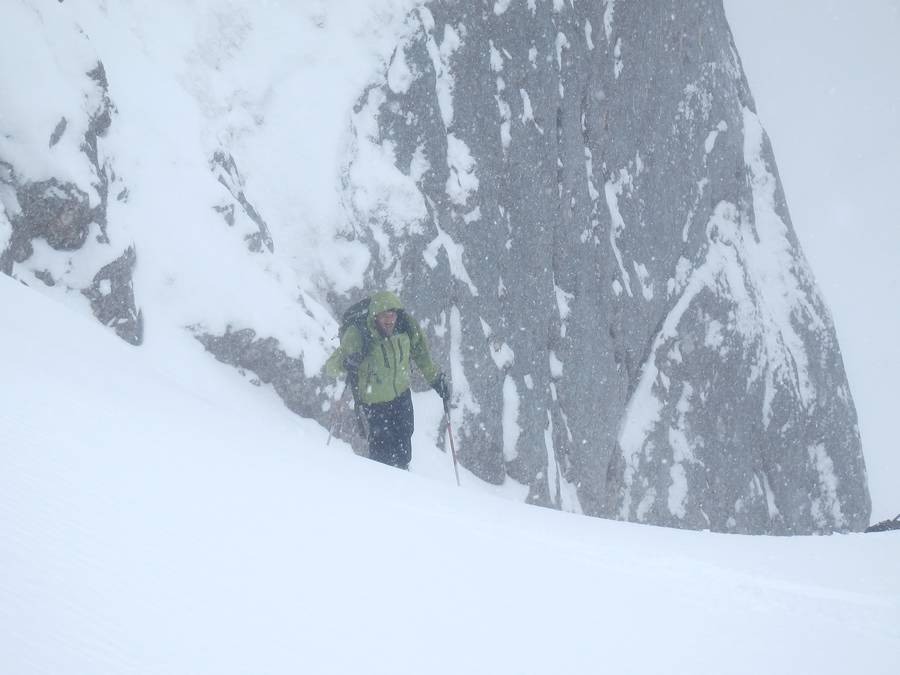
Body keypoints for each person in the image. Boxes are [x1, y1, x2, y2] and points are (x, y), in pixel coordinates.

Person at [325, 291, 451, 470]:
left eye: (392, 315)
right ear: (375, 316)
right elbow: (331, 366)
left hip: (402, 397)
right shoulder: (359, 333)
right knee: (382, 455)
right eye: (384, 316)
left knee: (404, 448)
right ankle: (382, 484)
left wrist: (436, 380)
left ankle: (402, 476)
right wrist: (348, 362)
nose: (389, 320)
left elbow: (422, 356)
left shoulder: (406, 326)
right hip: (375, 404)